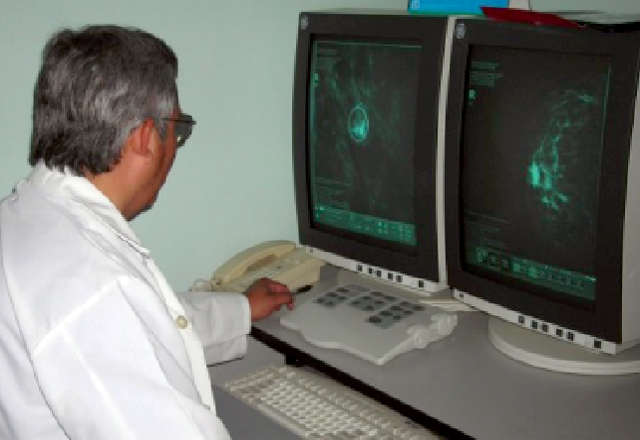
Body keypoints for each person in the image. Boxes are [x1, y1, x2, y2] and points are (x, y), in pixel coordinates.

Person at [0, 25, 293, 439]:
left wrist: (240, 311)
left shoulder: (28, 218)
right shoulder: (92, 288)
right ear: (144, 139)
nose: (176, 145)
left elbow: (137, 329)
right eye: (177, 130)